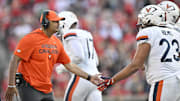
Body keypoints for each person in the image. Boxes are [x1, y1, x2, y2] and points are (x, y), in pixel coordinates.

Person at [5, 10, 102, 101]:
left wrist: (89, 77)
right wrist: (11, 85)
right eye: (55, 22)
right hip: (29, 87)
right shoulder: (30, 39)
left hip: (46, 89)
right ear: (46, 23)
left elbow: (70, 65)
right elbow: (14, 60)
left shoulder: (56, 42)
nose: (58, 24)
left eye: (58, 21)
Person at [98, 5, 180, 101]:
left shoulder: (148, 32)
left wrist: (112, 80)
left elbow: (136, 65)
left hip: (164, 80)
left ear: (149, 19)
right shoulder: (175, 33)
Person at [56, 11, 102, 101]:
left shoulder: (70, 34)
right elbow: (96, 61)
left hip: (82, 77)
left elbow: (78, 56)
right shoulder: (87, 34)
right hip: (96, 77)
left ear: (64, 23)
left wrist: (63, 67)